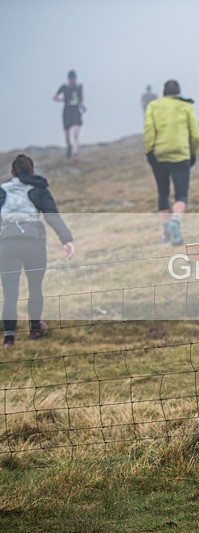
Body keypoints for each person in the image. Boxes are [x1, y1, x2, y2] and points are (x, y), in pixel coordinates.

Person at [0, 155, 75, 349]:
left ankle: (9, 339)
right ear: (31, 170)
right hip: (33, 243)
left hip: (7, 244)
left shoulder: (2, 191)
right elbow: (52, 216)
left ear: (13, 173)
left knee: (10, 294)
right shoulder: (39, 189)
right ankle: (35, 329)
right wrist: (66, 239)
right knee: (35, 288)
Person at [144, 79, 199, 246]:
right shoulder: (186, 107)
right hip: (181, 156)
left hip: (159, 156)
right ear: (179, 92)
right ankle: (175, 222)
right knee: (181, 195)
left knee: (162, 193)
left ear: (164, 92)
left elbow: (149, 131)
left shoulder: (153, 106)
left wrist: (149, 151)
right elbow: (196, 135)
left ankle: (166, 232)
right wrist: (192, 152)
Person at [53, 70, 85, 162]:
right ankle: (69, 146)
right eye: (71, 79)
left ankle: (75, 153)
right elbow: (55, 97)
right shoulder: (64, 87)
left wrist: (82, 105)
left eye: (74, 78)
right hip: (67, 112)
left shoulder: (79, 87)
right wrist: (62, 99)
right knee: (67, 136)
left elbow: (82, 97)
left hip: (76, 111)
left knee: (76, 133)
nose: (72, 80)